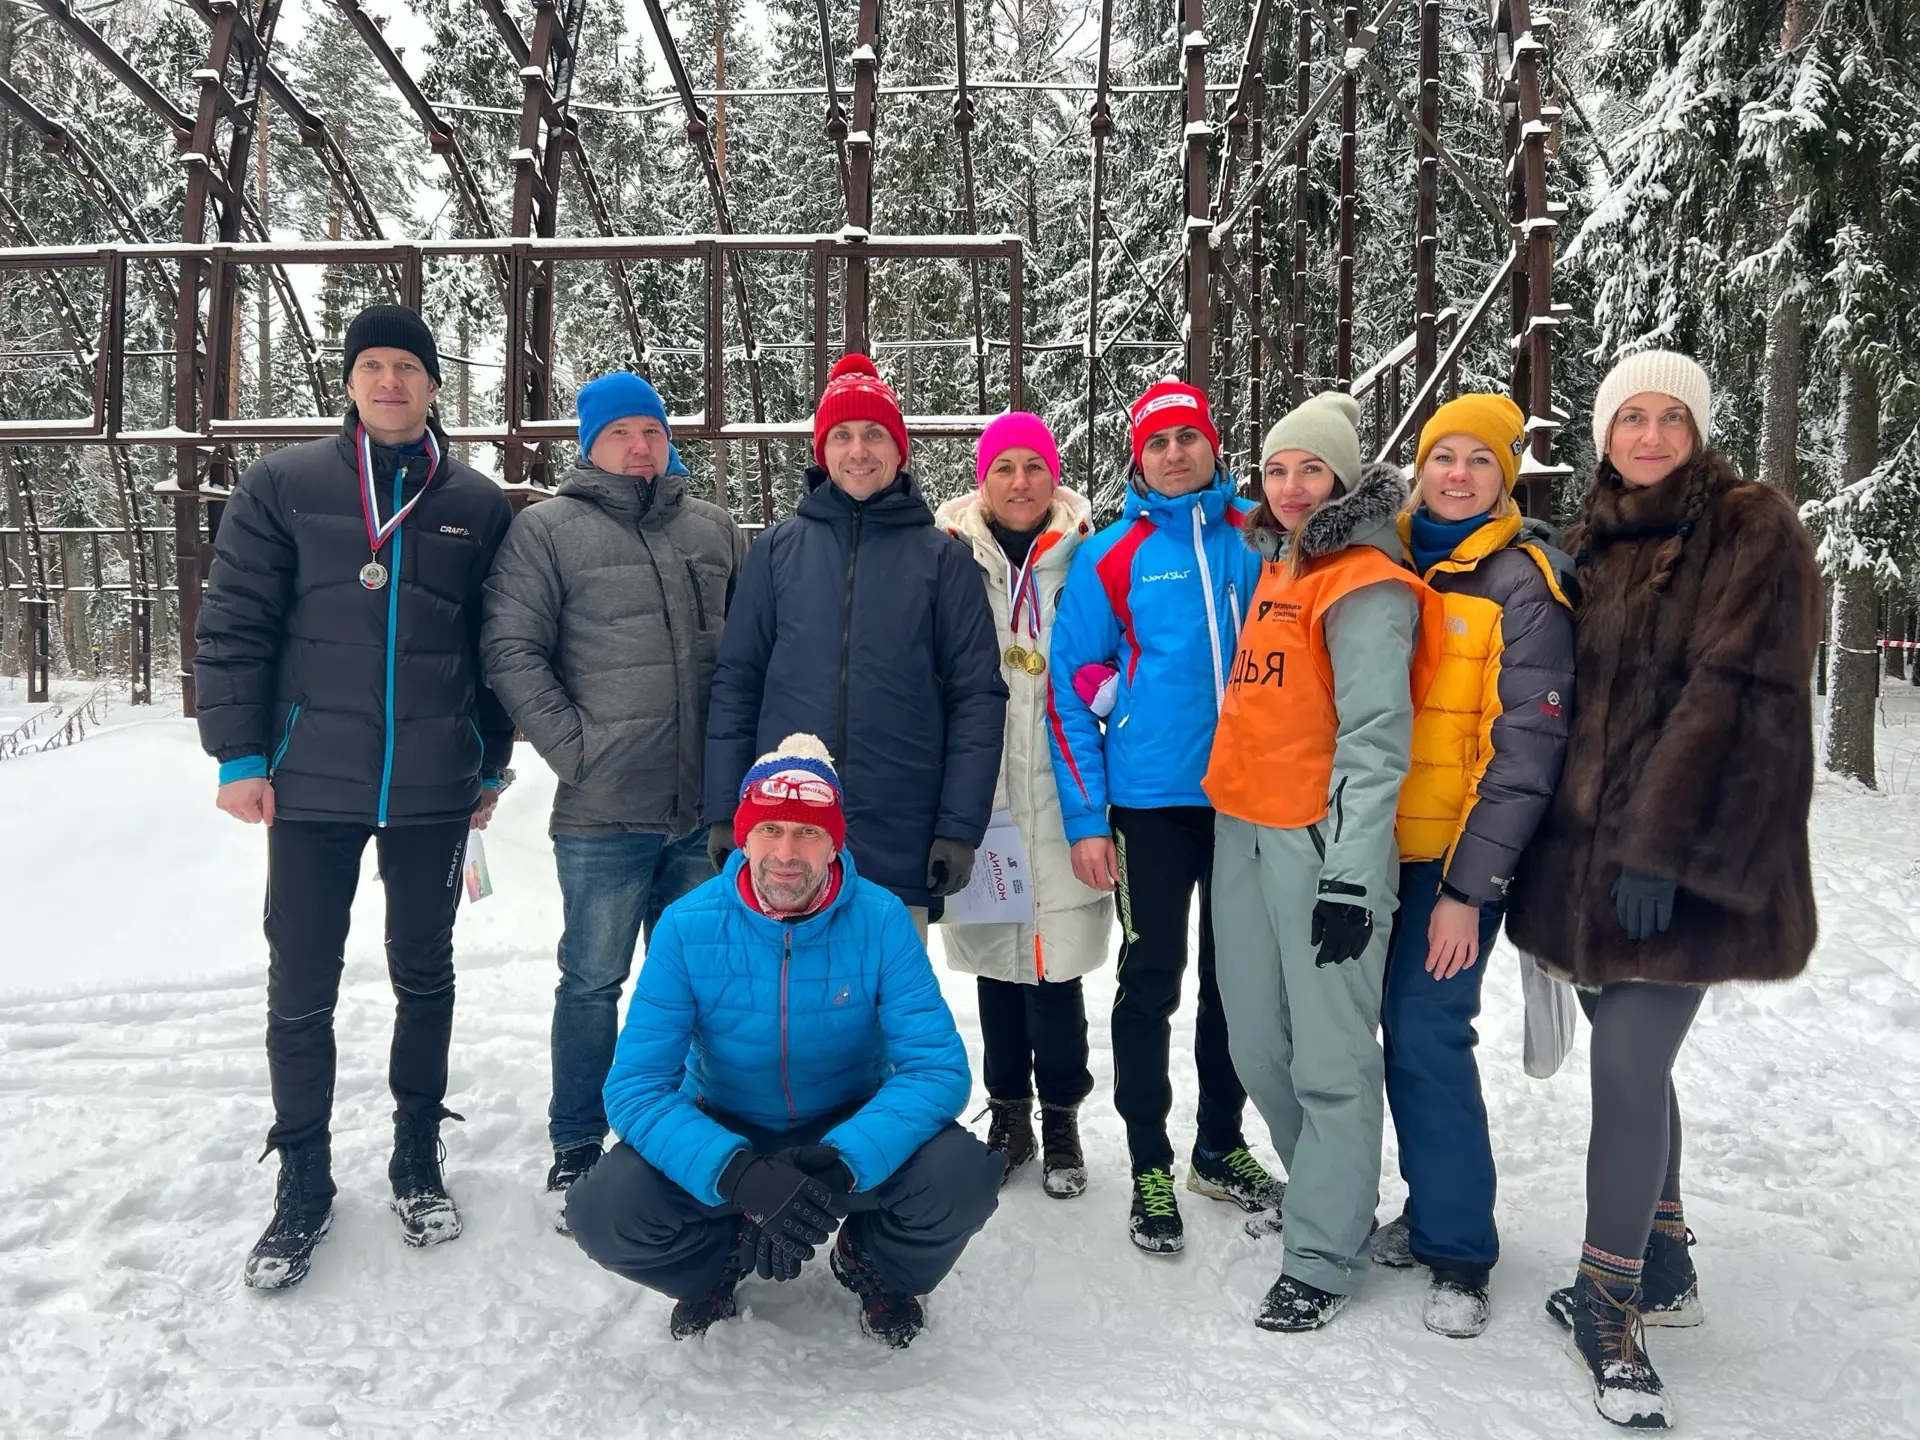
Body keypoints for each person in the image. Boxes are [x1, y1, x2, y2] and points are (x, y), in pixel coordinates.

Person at [1506, 352, 1820, 1429]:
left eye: (1670, 417)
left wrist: (1658, 847)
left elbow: (1737, 701)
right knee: (1630, 1055)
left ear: (1698, 429)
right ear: (1604, 433)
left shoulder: (1749, 527)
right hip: (1583, 869)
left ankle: (1607, 1303)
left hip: (1686, 859)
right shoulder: (1595, 539)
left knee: (1629, 1068)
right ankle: (1668, 1250)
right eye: (1629, 417)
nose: (1648, 436)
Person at [193, 303, 513, 1289]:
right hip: (310, 784)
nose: (389, 382)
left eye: (407, 367)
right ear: (348, 381)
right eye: (372, 365)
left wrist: (490, 761)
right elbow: (234, 622)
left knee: (425, 974)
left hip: (432, 787)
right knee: (301, 986)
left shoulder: (477, 502)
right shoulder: (283, 485)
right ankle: (304, 1179)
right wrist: (240, 755)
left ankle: (416, 1157)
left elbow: (497, 647)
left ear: (433, 386)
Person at [565, 735, 1003, 1348]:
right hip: (726, 1123)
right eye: (770, 829)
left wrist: (844, 1161)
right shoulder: (687, 926)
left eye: (808, 832)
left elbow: (936, 1069)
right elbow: (637, 1088)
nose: (787, 853)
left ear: (835, 842)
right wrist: (735, 1173)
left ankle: (873, 1261)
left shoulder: (881, 919)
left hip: (848, 1125)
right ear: (744, 837)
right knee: (603, 1210)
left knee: (962, 1176)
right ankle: (716, 1261)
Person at [1203, 392, 1443, 1331]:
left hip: (1322, 847)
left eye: (1311, 469)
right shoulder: (1281, 564)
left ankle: (1325, 1251)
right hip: (1243, 830)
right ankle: (1326, 1196)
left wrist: (1349, 873)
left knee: (1332, 1058)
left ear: (1344, 478)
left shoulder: (1366, 583)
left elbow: (1376, 741)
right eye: (1276, 469)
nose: (1292, 486)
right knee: (1255, 1043)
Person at [481, 371, 745, 1210]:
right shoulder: (547, 531)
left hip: (703, 813)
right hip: (604, 810)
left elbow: (753, 647)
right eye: (621, 432)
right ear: (590, 444)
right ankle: (577, 1141)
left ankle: (688, 1126)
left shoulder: (711, 528)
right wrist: (576, 749)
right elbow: (510, 648)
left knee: (697, 982)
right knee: (593, 981)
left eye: (653, 431)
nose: (640, 446)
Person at [1046, 378, 1282, 1254]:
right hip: (1150, 805)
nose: (1175, 453)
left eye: (1189, 438)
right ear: (1138, 458)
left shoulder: (1260, 535)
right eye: (1158, 442)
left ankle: (1218, 1146)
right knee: (1151, 980)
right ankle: (1150, 1158)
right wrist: (1085, 819)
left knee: (1237, 985)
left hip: (1252, 803)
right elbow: (1069, 694)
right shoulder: (1111, 556)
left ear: (1214, 447)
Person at [1367, 394, 1576, 1337]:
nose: (1458, 474)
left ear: (1506, 474)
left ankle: (1458, 1249)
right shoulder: (1382, 554)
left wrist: (1465, 891)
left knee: (1425, 1030)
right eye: (1443, 456)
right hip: (1364, 847)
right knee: (1368, 1032)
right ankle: (1424, 1206)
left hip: (1450, 862)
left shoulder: (1524, 582)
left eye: (1480, 459)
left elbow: (1525, 753)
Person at [702, 354, 1007, 936]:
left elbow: (976, 697)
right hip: (787, 835)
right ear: (823, 452)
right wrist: (724, 808)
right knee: (787, 990)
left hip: (903, 835)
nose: (858, 450)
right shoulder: (775, 552)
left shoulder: (944, 560)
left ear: (899, 450)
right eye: (841, 435)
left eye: (874, 434)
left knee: (890, 990)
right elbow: (737, 684)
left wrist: (959, 827)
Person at [932, 413, 1113, 1198]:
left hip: (1064, 784)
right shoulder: (949, 559)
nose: (1019, 482)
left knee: (1056, 967)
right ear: (983, 480)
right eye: (1003, 467)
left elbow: (1121, 646)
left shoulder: (1088, 557)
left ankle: (1062, 1114)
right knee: (997, 966)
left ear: (1054, 476)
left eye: (1033, 466)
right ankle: (1009, 1114)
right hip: (984, 790)